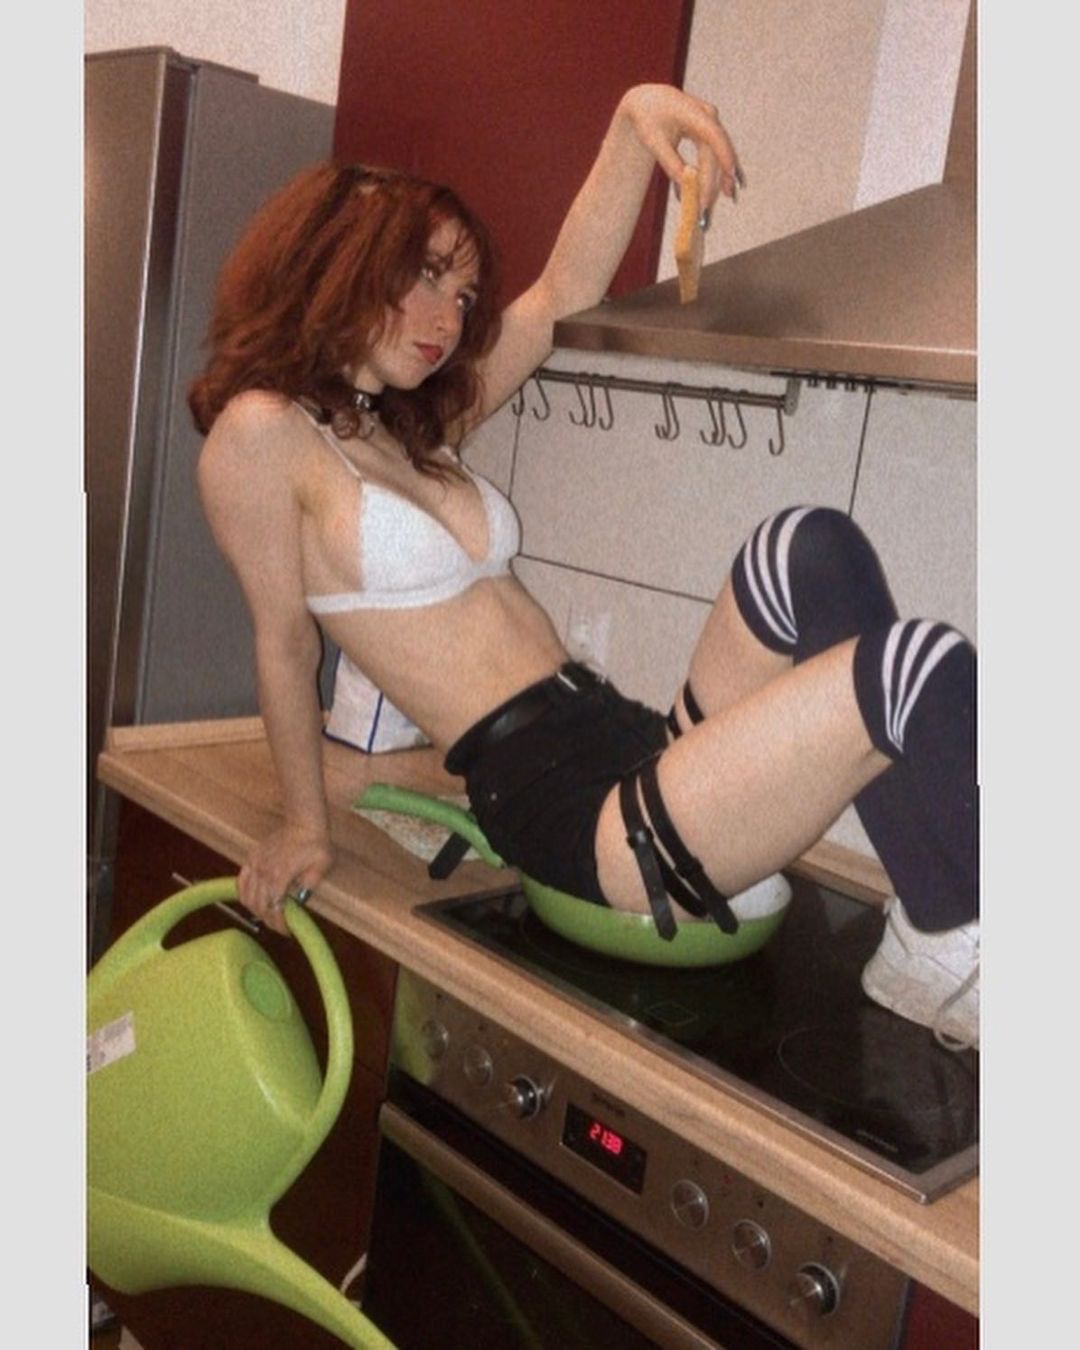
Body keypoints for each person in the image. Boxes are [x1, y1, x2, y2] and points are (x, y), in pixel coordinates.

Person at [190, 84, 978, 1049]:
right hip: (565, 804)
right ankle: (958, 930)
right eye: (427, 276)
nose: (449, 318)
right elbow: (284, 645)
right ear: (343, 259)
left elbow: (560, 293)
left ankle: (938, 929)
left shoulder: (411, 431)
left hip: (624, 736)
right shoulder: (262, 434)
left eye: (463, 294)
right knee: (913, 668)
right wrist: (304, 824)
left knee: (809, 549)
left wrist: (631, 122)